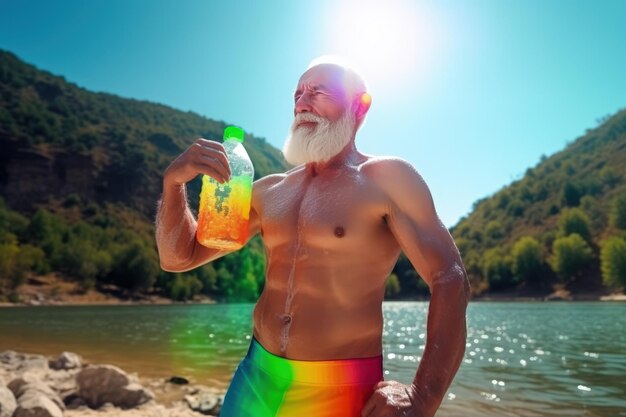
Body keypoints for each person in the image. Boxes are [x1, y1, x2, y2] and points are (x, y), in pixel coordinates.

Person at [155, 57, 470, 417]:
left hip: (338, 386)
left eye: (319, 92)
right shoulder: (269, 190)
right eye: (298, 94)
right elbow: (178, 258)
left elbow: (450, 278)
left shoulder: (386, 178)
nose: (303, 103)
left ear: (359, 106)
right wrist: (174, 183)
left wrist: (422, 395)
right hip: (256, 375)